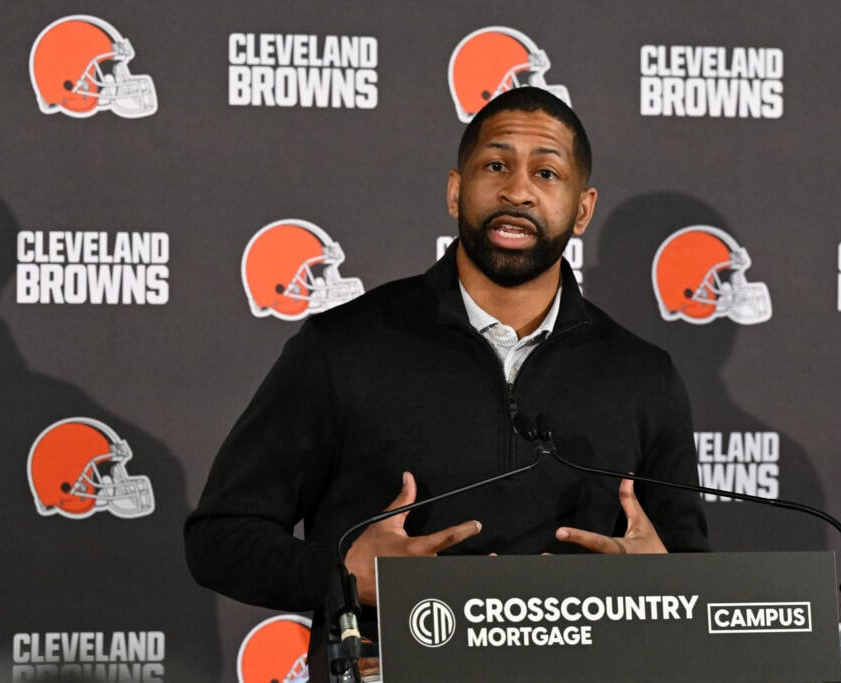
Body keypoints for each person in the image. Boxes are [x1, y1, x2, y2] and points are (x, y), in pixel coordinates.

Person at [184, 86, 708, 681]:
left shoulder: (643, 376)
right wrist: (341, 575)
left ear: (582, 209)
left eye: (546, 171)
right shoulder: (344, 347)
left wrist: (664, 588)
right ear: (457, 190)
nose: (517, 189)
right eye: (495, 165)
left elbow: (689, 572)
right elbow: (220, 539)